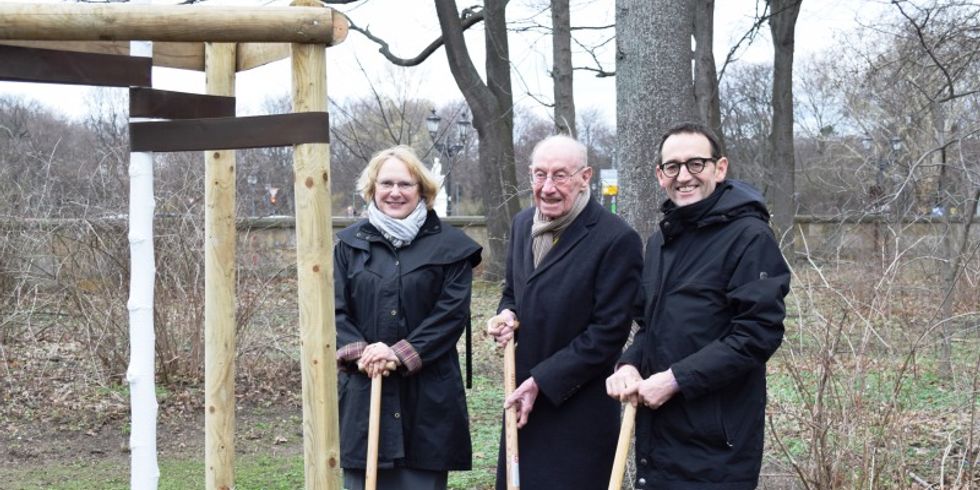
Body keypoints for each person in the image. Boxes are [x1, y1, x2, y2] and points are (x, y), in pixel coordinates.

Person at [606, 122, 791, 489]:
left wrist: (676, 380)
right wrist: (629, 363)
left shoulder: (749, 237)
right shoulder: (661, 242)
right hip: (660, 437)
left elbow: (757, 334)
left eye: (696, 164)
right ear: (660, 175)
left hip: (716, 444)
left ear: (719, 168)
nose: (683, 176)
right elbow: (651, 328)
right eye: (672, 166)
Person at [485, 135, 643, 489]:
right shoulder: (523, 224)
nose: (548, 187)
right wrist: (507, 315)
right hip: (522, 406)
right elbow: (513, 291)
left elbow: (608, 333)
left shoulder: (616, 239)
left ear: (585, 176)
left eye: (561, 175)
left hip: (577, 412)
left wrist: (543, 380)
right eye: (540, 175)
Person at [334, 145, 482, 490]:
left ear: (423, 191)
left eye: (406, 184)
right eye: (386, 184)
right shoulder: (349, 245)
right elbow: (334, 309)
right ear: (372, 189)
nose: (395, 192)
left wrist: (397, 354)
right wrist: (364, 354)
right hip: (364, 393)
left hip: (426, 401)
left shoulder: (452, 248)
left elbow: (450, 316)